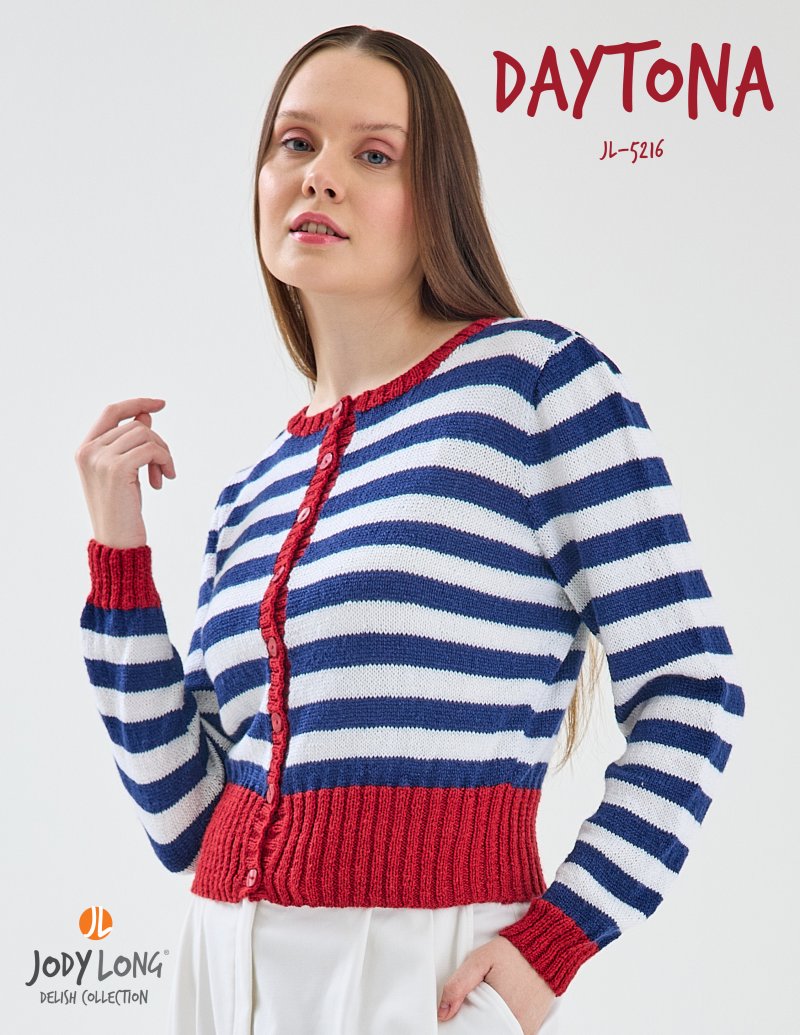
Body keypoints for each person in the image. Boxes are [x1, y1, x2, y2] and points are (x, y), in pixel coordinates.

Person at [75, 24, 744, 1035]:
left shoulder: (535, 386)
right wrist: (119, 563)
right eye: (296, 143)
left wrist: (551, 944)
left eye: (374, 154)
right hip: (217, 966)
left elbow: (693, 689)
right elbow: (187, 822)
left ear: (433, 199)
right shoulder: (256, 489)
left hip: (423, 972)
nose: (320, 176)